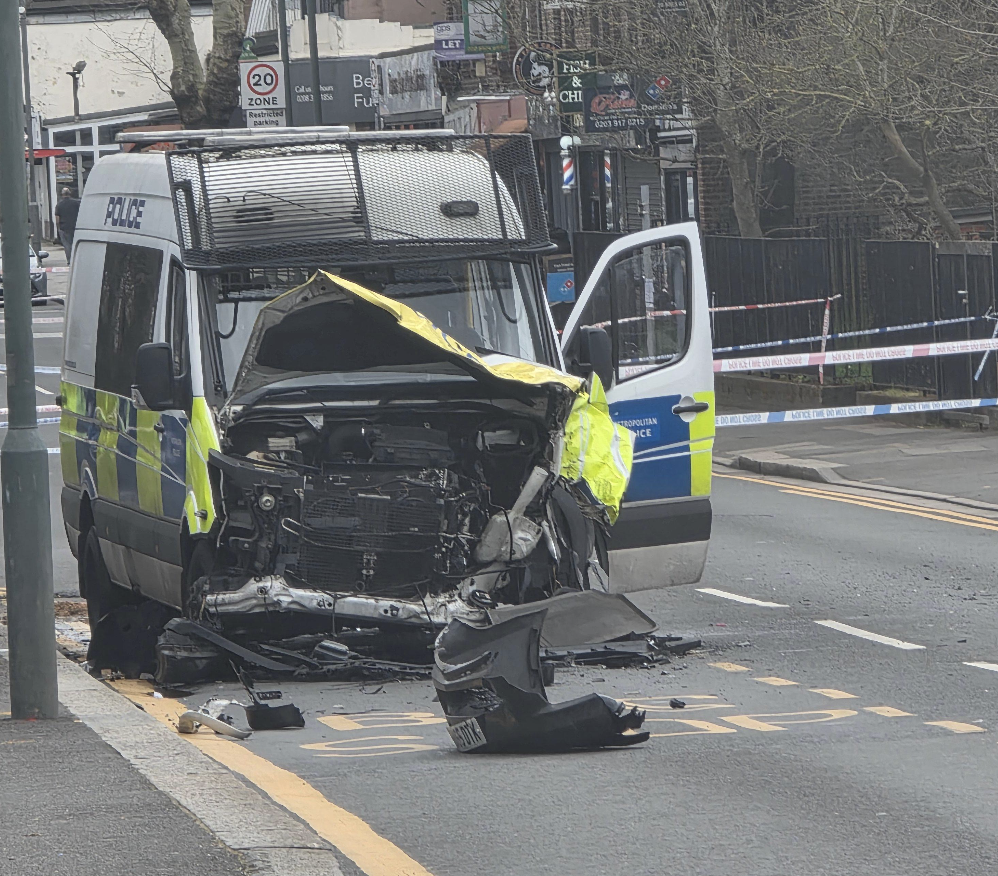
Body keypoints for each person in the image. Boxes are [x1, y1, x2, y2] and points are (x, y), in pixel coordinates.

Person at [55, 187, 81, 263]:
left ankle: (70, 261)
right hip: (75, 227)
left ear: (62, 194)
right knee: (75, 244)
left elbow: (57, 218)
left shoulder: (59, 205)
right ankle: (76, 260)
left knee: (67, 245)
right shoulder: (76, 203)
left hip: (64, 228)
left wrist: (58, 228)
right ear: (70, 194)